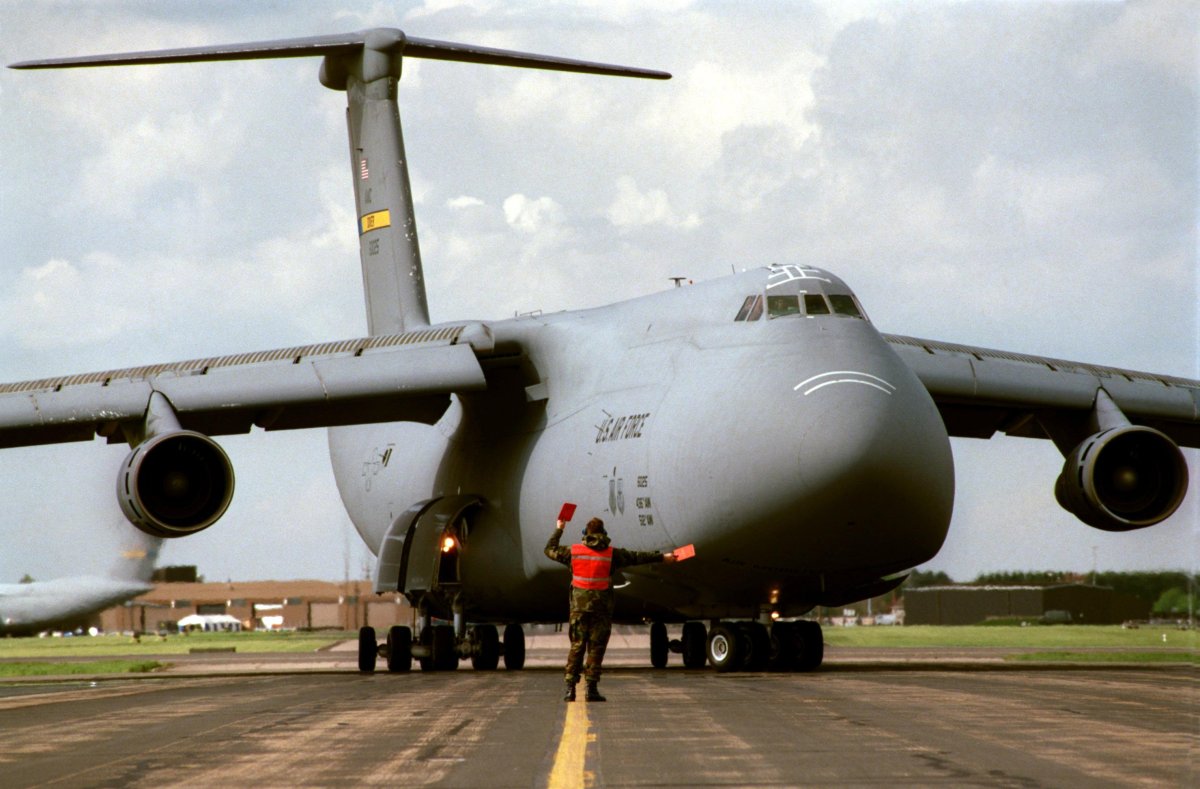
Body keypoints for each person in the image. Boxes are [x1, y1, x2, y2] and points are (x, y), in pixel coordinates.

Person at [545, 516, 677, 702]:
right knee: (596, 648)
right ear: (604, 534)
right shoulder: (611, 554)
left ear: (585, 534)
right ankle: (591, 689)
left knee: (577, 647)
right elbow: (637, 557)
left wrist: (559, 528)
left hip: (579, 610)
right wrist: (663, 557)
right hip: (601, 610)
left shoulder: (573, 553)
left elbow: (549, 549)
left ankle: (570, 689)